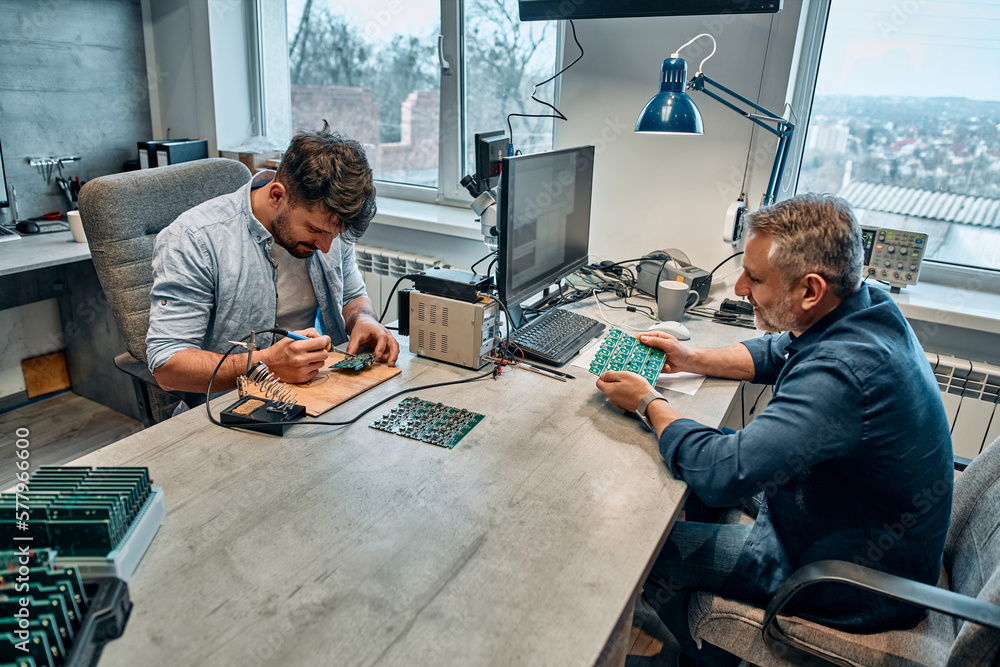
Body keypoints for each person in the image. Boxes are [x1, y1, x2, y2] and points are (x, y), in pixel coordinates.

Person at [596, 194, 952, 665]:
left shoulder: (842, 374)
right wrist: (691, 358)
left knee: (641, 552)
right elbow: (777, 350)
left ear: (810, 289)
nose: (740, 287)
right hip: (850, 514)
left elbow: (726, 474)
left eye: (755, 277)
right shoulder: (865, 305)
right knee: (698, 463)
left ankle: (708, 654)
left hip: (855, 577)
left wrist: (648, 402)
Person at [146, 124, 399, 395]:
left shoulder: (329, 227)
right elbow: (166, 365)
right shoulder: (194, 239)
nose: (326, 247)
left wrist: (364, 319)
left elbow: (352, 296)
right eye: (315, 230)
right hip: (232, 406)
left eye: (334, 235)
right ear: (277, 195)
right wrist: (264, 365)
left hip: (319, 389)